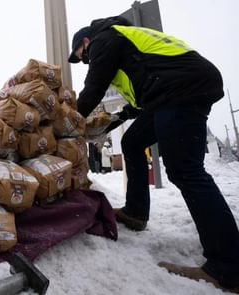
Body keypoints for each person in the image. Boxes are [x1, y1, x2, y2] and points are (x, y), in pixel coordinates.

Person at [68, 16, 239, 292]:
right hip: (173, 90)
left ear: (85, 42)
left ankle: (228, 267)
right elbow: (139, 101)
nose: (86, 60)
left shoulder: (104, 39)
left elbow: (93, 87)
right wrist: (113, 120)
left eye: (82, 56)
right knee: (133, 142)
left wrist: (68, 123)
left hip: (181, 90)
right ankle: (136, 212)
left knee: (185, 170)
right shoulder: (128, 47)